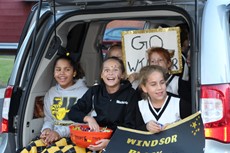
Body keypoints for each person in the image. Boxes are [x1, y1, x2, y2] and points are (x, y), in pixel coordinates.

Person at [20, 55, 88, 153]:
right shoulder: (51, 93)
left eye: (67, 69)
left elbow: (84, 124)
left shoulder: (84, 93)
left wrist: (59, 133)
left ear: (74, 72)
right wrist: (46, 130)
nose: (62, 73)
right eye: (58, 69)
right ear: (54, 73)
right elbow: (49, 119)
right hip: (53, 136)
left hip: (75, 138)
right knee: (29, 149)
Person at [68, 56, 137, 152]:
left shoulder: (131, 94)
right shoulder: (95, 91)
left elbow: (131, 126)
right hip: (93, 139)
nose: (110, 73)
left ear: (122, 75)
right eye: (106, 70)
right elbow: (73, 112)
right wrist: (88, 119)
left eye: (115, 70)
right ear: (101, 75)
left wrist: (110, 141)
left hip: (119, 141)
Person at [135, 65, 191, 132]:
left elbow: (194, 128)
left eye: (162, 82)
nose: (159, 87)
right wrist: (146, 127)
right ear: (144, 88)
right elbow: (133, 132)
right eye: (153, 84)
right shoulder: (140, 106)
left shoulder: (179, 103)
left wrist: (175, 127)